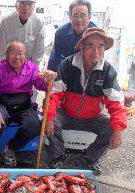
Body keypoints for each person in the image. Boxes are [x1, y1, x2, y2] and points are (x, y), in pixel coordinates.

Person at [45, 27, 127, 175]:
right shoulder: (67, 64)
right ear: (82, 47)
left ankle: (90, 157)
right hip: (66, 113)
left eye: (100, 46)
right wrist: (50, 117)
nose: (96, 51)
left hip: (93, 117)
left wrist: (118, 130)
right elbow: (54, 94)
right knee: (46, 119)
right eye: (90, 45)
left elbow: (116, 103)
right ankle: (58, 155)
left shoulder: (108, 71)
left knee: (113, 127)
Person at [0, 41, 57, 168]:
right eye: (13, 53)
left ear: (25, 55)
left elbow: (40, 84)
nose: (16, 57)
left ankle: (11, 147)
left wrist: (47, 79)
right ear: (6, 54)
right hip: (3, 103)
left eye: (20, 53)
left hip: (23, 104)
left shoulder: (32, 67)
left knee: (34, 125)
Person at [0, 0, 45, 66]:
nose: (26, 7)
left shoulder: (39, 23)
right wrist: (6, 70)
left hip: (29, 67)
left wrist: (30, 72)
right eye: (22, 3)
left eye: (30, 4)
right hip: (8, 66)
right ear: (16, 6)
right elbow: (1, 51)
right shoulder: (5, 21)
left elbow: (38, 55)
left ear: (34, 7)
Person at [47, 0, 96, 72]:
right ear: (70, 17)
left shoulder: (96, 34)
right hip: (66, 72)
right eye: (75, 16)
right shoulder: (61, 33)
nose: (79, 20)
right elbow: (55, 59)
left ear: (89, 17)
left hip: (88, 73)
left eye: (83, 15)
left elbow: (98, 62)